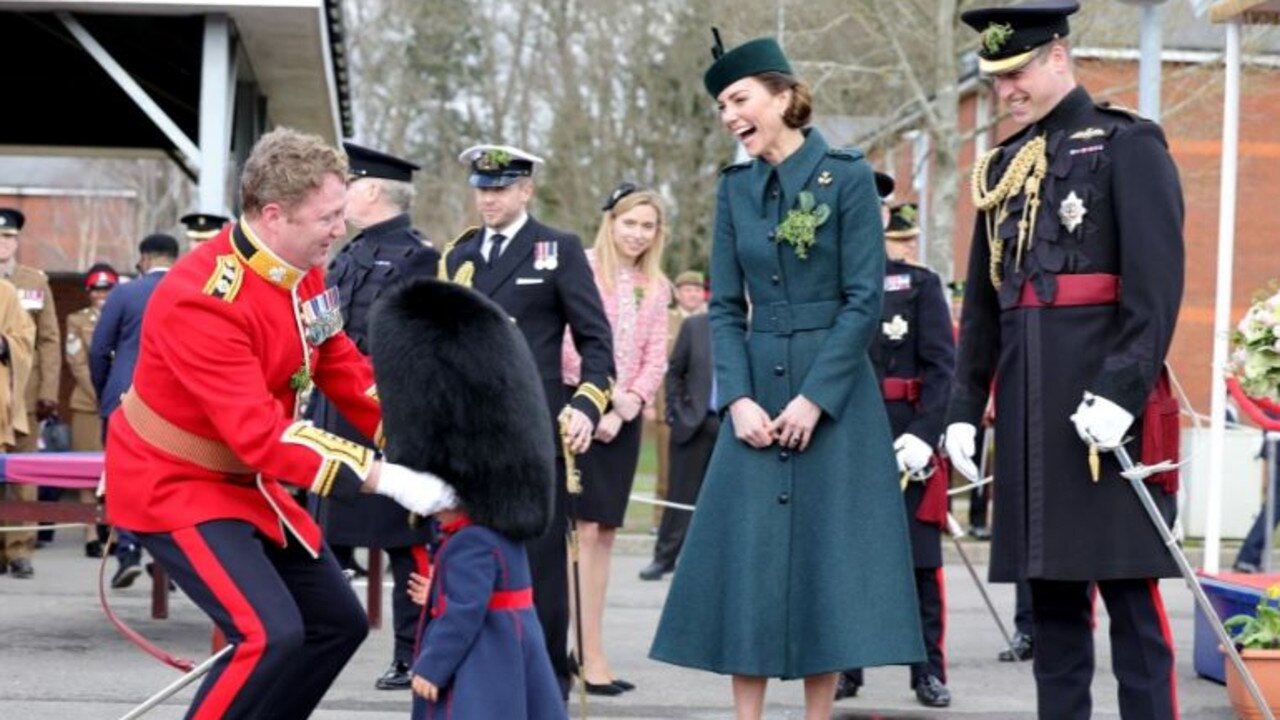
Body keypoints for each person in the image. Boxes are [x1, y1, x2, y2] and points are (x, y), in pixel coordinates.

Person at [103, 127, 457, 719]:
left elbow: (340, 363)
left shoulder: (303, 269)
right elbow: (262, 434)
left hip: (248, 481)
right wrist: (385, 477)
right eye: (327, 217)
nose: (340, 230)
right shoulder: (203, 296)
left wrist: (425, 436)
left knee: (336, 624)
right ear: (273, 215)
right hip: (175, 483)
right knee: (268, 634)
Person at [649, 35, 924, 720]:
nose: (727, 115)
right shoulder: (735, 188)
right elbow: (722, 304)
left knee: (823, 562)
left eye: (739, 99)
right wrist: (737, 398)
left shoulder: (846, 175)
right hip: (756, 390)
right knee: (749, 561)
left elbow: (865, 298)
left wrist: (815, 400)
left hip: (832, 395)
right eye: (720, 105)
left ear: (782, 96)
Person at [943, 3, 1185, 719]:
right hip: (1028, 415)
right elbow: (987, 306)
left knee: (1131, 603)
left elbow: (1156, 287)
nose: (1004, 91)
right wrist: (964, 409)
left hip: (1102, 417)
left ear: (1057, 55)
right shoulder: (1001, 168)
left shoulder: (1126, 145)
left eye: (1014, 73)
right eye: (994, 79)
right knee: (1050, 610)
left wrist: (1121, 389)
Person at [441, 143, 615, 697]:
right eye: (481, 188)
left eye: (499, 189)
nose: (488, 199)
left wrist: (586, 404)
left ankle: (546, 689)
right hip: (469, 431)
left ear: (525, 190)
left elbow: (596, 342)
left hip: (532, 429)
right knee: (468, 560)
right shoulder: (461, 254)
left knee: (538, 570)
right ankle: (477, 684)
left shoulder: (557, 249)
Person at [368, 278, 565, 720]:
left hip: (480, 668)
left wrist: (431, 668)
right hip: (511, 654)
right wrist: (437, 587)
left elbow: (464, 614)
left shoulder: (469, 542)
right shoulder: (497, 533)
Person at [308, 140, 440, 690]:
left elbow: (414, 342)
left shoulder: (419, 256)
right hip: (330, 409)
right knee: (318, 532)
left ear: (371, 191)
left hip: (384, 415)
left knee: (404, 539)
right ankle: (315, 632)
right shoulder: (347, 251)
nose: (340, 199)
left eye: (349, 186)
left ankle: (413, 651)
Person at [836, 201, 956, 707]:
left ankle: (926, 670)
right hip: (851, 431)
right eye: (898, 237)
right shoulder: (841, 283)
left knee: (919, 563)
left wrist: (926, 434)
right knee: (848, 560)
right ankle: (845, 669)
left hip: (908, 430)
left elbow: (941, 367)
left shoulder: (923, 286)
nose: (907, 244)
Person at [561, 182, 670, 695]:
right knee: (578, 535)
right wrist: (598, 398)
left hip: (622, 421)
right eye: (630, 223)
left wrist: (628, 403)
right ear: (611, 222)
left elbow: (656, 356)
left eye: (647, 226)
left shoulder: (658, 284)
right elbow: (567, 343)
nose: (637, 234)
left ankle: (592, 645)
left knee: (604, 534)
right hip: (580, 413)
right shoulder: (580, 268)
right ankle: (576, 648)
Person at [90, 233, 180, 588]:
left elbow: (99, 350)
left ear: (144, 259)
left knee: (123, 476)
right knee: (171, 479)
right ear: (176, 257)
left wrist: (105, 394)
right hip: (175, 403)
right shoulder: (194, 289)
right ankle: (167, 560)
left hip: (124, 399)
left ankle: (127, 549)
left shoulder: (124, 294)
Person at [0, 207, 60, 579]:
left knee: (22, 475)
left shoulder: (33, 280)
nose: (2, 244)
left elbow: (49, 340)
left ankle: (20, 549)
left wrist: (49, 391)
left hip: (25, 392)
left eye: (8, 237)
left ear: (17, 241)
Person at [639, 307, 713, 582]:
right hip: (694, 424)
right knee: (679, 496)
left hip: (737, 426)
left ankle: (711, 564)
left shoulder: (754, 325)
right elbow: (674, 373)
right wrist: (676, 414)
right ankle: (664, 558)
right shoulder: (695, 326)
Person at [64, 262, 119, 558]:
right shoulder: (77, 320)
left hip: (118, 404)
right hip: (87, 403)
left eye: (107, 288)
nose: (101, 294)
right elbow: (77, 362)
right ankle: (89, 533)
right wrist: (100, 392)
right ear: (88, 292)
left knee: (116, 469)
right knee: (85, 470)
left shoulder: (123, 317)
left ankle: (113, 532)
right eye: (96, 289)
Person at [648, 270, 708, 533]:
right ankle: (661, 520)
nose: (692, 294)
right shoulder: (666, 321)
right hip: (667, 407)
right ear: (678, 293)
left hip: (703, 408)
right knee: (666, 470)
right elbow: (656, 364)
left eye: (697, 290)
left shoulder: (711, 322)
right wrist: (649, 402)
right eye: (687, 289)